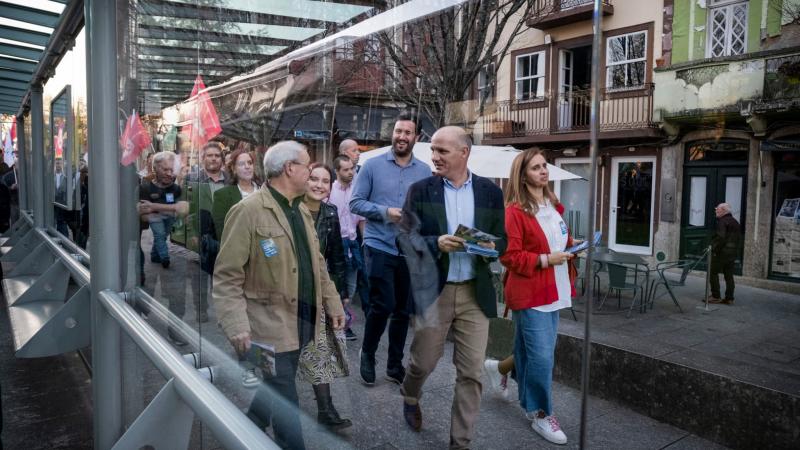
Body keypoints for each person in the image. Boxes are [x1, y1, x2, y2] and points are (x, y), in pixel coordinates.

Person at [212, 141, 345, 450]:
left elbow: (318, 264)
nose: (311, 172)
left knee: (275, 384)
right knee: (286, 398)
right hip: (266, 328)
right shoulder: (247, 211)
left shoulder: (300, 209)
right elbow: (227, 276)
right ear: (290, 169)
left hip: (301, 323)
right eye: (307, 165)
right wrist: (236, 325)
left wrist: (333, 301)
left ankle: (248, 426)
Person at [398, 126, 506, 450]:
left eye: (442, 151)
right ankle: (410, 394)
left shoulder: (491, 192)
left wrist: (484, 245)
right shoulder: (420, 190)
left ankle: (460, 443)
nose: (434, 156)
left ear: (464, 152)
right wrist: (436, 243)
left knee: (471, 373)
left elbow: (502, 241)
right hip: (436, 293)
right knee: (423, 363)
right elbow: (404, 237)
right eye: (433, 150)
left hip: (476, 293)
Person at [499, 149, 576, 445]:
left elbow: (559, 239)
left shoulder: (554, 205)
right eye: (535, 168)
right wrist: (546, 260)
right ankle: (541, 414)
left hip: (556, 289)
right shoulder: (515, 212)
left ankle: (498, 369)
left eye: (544, 166)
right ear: (523, 175)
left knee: (529, 350)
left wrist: (574, 244)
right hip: (531, 293)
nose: (543, 171)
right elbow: (509, 255)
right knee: (542, 358)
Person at [350, 112, 432, 386]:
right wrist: (387, 212)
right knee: (382, 304)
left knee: (402, 310)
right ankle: (368, 353)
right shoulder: (371, 165)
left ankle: (394, 364)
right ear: (392, 133)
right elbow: (356, 203)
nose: (401, 137)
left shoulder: (424, 171)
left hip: (408, 249)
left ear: (416, 138)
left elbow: (426, 209)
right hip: (378, 244)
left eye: (407, 133)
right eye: (398, 131)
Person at [299, 162, 352, 431]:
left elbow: (337, 258)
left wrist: (340, 295)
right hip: (291, 293)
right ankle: (261, 412)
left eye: (325, 181)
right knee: (284, 357)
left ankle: (326, 410)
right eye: (314, 179)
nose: (319, 185)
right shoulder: (292, 209)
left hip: (319, 292)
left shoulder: (331, 213)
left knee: (319, 351)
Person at [210, 148, 262, 387]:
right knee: (243, 316)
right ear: (233, 169)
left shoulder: (265, 192)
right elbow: (224, 234)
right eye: (242, 164)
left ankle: (265, 362)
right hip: (240, 263)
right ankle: (247, 365)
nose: (247, 167)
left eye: (250, 163)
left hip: (266, 265)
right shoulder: (224, 195)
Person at [186, 141, 228, 323]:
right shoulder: (192, 179)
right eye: (209, 155)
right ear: (203, 158)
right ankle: (201, 309)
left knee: (223, 277)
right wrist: (192, 233)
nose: (213, 158)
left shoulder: (230, 179)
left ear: (222, 159)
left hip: (224, 234)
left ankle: (223, 313)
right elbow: (187, 208)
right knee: (200, 276)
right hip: (200, 232)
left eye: (217, 155)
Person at [328, 155, 367, 333]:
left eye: (352, 168)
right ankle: (333, 319)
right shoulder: (329, 191)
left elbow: (361, 220)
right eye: (346, 169)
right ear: (337, 171)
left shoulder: (357, 191)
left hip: (352, 243)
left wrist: (365, 242)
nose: (351, 172)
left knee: (351, 286)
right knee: (335, 284)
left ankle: (342, 318)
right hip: (334, 245)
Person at [138, 151, 188, 269]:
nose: (169, 174)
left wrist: (155, 206)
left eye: (171, 170)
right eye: (165, 170)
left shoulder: (175, 188)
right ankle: (165, 257)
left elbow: (182, 207)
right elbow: (143, 208)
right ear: (155, 168)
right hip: (154, 218)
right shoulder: (146, 187)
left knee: (163, 236)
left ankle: (155, 255)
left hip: (169, 217)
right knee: (160, 234)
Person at [708, 203, 740, 305]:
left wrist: (714, 249)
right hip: (732, 253)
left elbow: (721, 238)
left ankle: (715, 296)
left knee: (713, 272)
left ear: (724, 210)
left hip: (722, 253)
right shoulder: (735, 222)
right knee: (729, 275)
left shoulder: (722, 221)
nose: (716, 211)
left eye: (717, 209)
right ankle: (729, 298)